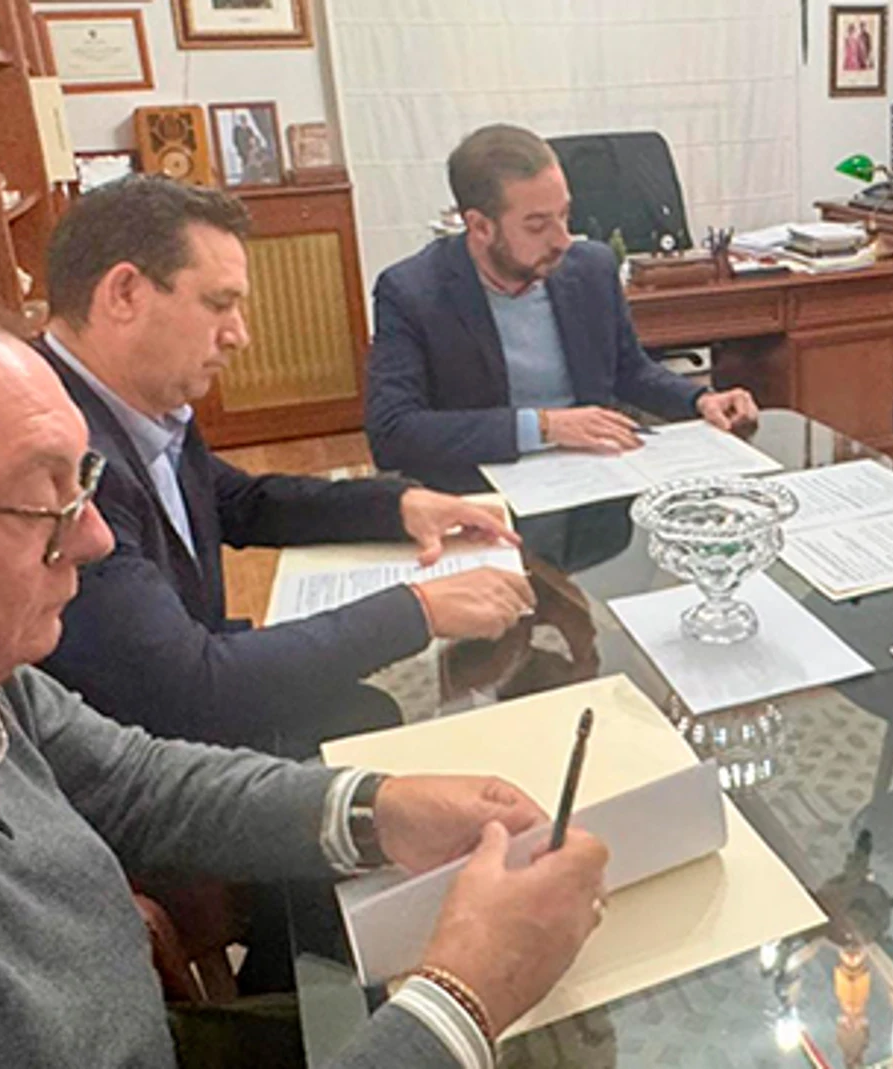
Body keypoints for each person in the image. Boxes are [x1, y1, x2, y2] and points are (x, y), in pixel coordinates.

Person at [0, 265, 609, 1068]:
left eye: (81, 483)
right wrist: (464, 998)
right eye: (38, 500)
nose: (93, 538)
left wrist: (379, 808)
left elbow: (138, 782)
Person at [34, 176, 537, 756]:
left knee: (368, 710)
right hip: (145, 756)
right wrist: (418, 610)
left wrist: (397, 505)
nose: (239, 335)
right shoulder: (58, 458)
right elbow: (190, 688)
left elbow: (239, 501)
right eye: (218, 304)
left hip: (181, 698)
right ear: (124, 294)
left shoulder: (130, 399)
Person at [365, 123, 759, 491]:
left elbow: (629, 371)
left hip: (594, 477)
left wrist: (698, 399)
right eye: (537, 225)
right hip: (482, 491)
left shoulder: (590, 268)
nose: (562, 240)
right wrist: (542, 427)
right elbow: (392, 433)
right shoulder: (413, 292)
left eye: (565, 215)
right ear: (480, 226)